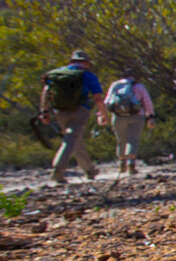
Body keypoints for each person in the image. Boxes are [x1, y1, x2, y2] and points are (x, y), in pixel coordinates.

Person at [38, 50, 109, 184]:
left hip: (59, 111)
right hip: (80, 111)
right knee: (71, 139)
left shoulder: (56, 74)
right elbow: (98, 99)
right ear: (86, 63)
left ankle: (89, 170)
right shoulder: (87, 76)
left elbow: (46, 92)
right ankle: (58, 170)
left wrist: (44, 111)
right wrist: (103, 115)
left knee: (74, 138)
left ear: (71, 62)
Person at [104, 67, 156, 174]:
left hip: (118, 116)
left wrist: (102, 115)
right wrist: (150, 116)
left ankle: (121, 164)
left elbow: (108, 101)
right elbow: (147, 102)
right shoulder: (139, 86)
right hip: (136, 116)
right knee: (133, 140)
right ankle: (131, 165)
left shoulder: (115, 85)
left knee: (121, 140)